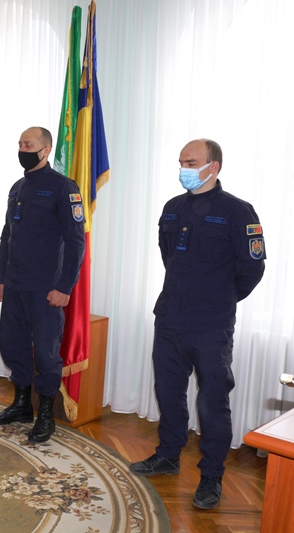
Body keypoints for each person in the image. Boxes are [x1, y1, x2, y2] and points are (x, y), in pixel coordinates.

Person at [129, 139, 265, 510]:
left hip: (210, 324)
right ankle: (168, 455)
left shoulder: (237, 211)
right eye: (181, 162)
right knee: (168, 392)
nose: (184, 169)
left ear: (213, 166)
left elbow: (252, 268)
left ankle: (211, 475)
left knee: (212, 401)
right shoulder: (173, 208)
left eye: (191, 162)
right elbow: (168, 256)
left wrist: (219, 299)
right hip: (169, 317)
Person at [0, 127, 86, 443]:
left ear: (45, 150)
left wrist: (65, 286)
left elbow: (76, 242)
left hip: (46, 289)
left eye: (28, 144)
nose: (22, 149)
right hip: (15, 285)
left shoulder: (63, 188)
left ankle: (45, 413)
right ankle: (21, 405)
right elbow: (7, 236)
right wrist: (1, 277)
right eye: (20, 144)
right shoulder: (18, 187)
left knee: (45, 353)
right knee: (12, 345)